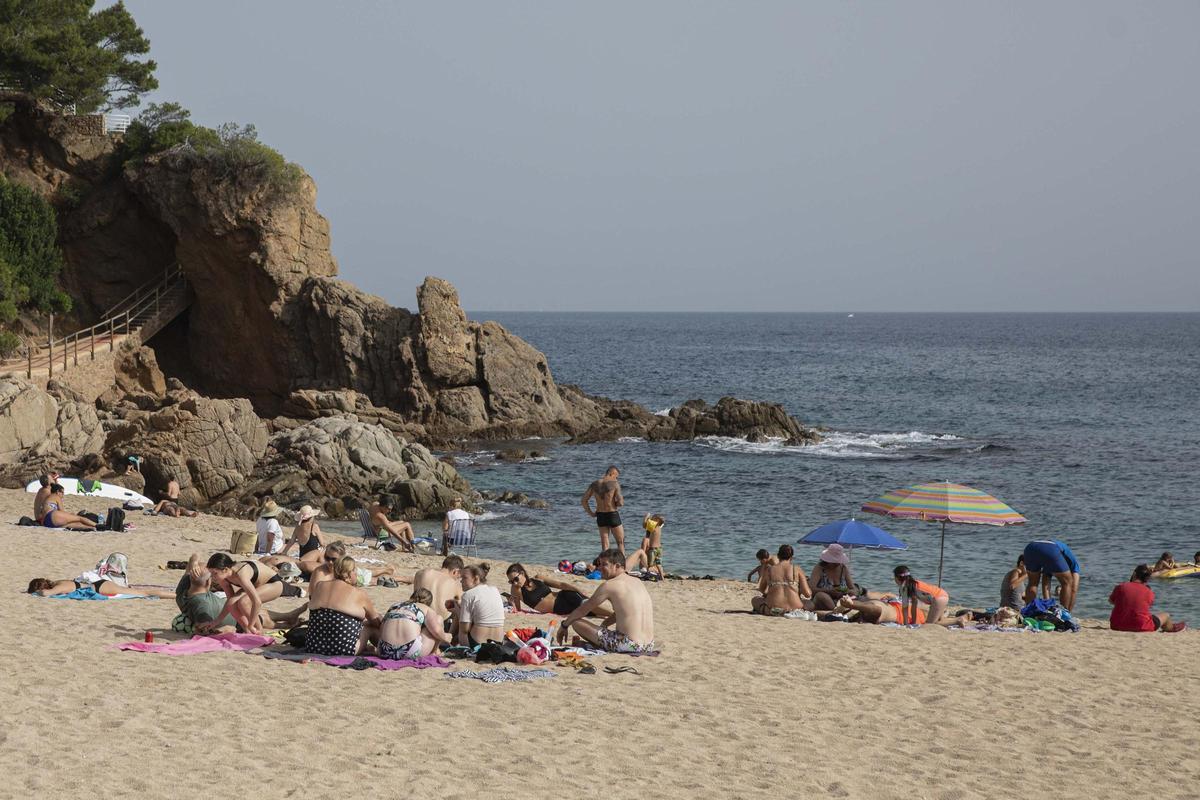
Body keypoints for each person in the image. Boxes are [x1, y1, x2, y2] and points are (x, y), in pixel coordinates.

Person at [556, 548, 655, 653]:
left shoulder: (610, 585)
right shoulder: (637, 582)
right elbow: (624, 611)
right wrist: (605, 623)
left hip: (628, 645)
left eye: (604, 565)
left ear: (617, 566)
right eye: (599, 564)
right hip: (649, 645)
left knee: (576, 622)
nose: (599, 568)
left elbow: (583, 609)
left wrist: (564, 625)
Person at [176, 553, 303, 632]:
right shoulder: (223, 577)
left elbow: (257, 602)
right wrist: (215, 622)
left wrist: (251, 624)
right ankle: (252, 630)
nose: (213, 578)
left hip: (274, 584)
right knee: (232, 603)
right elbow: (230, 603)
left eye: (214, 574)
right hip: (257, 583)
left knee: (244, 602)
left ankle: (257, 630)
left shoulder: (241, 575)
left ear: (225, 569)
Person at [306, 555, 381, 656]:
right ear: (349, 574)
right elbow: (376, 622)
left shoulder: (320, 585)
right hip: (343, 650)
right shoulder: (358, 593)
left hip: (313, 646)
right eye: (355, 571)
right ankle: (385, 650)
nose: (357, 574)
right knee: (371, 629)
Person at [27, 552, 175, 599]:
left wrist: (36, 593)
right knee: (142, 593)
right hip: (99, 584)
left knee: (144, 593)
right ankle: (174, 595)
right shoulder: (61, 581)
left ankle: (175, 596)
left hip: (100, 587)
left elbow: (46, 593)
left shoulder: (60, 586)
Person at [506, 563, 603, 617]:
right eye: (511, 581)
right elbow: (517, 609)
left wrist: (578, 590)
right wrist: (511, 603)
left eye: (515, 579)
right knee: (588, 608)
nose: (514, 583)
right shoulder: (516, 589)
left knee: (588, 604)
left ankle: (615, 614)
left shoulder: (538, 578)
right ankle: (615, 615)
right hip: (559, 608)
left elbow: (560, 585)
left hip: (564, 595)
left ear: (522, 573)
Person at [1110, 564, 1185, 633]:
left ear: (1134, 574)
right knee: (1166, 615)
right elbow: (1145, 605)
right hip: (1141, 626)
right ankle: (1171, 628)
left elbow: (1111, 601)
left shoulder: (1121, 586)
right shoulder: (1148, 592)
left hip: (1116, 625)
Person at [378, 588, 450, 659]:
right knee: (438, 619)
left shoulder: (394, 606)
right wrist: (446, 637)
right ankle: (435, 651)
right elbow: (436, 631)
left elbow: (382, 628)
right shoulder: (426, 608)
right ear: (429, 602)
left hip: (384, 651)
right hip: (408, 651)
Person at [261, 504, 327, 575]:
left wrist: (284, 552)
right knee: (320, 553)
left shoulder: (298, 527)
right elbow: (322, 543)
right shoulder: (314, 526)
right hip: (312, 558)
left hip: (302, 556)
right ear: (311, 517)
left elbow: (291, 542)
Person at [308, 541, 404, 588]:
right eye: (327, 558)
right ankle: (386, 570)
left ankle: (392, 572)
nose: (329, 562)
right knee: (371, 575)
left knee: (371, 575)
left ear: (343, 558)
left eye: (333, 559)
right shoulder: (319, 572)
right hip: (357, 576)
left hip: (358, 575)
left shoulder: (346, 570)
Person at [450, 564, 505, 646]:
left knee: (461, 624)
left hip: (477, 643)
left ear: (476, 578)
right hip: (498, 641)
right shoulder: (494, 589)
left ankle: (448, 638)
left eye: (464, 578)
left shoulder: (468, 595)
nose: (461, 581)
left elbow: (465, 629)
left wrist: (458, 611)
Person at [751, 544, 810, 615]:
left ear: (778, 556)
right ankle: (792, 611)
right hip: (795, 609)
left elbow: (761, 589)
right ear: (791, 557)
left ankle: (771, 610)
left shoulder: (769, 569)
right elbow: (807, 594)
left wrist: (770, 593)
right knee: (810, 603)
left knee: (755, 600)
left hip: (774, 608)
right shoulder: (797, 569)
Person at [1022, 540, 1080, 611]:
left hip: (1030, 548)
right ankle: (1064, 612)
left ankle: (1029, 611)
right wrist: (1069, 611)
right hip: (1051, 549)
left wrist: (1048, 606)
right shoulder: (1074, 566)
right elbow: (1073, 590)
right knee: (1067, 583)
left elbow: (1045, 584)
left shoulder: (1052, 564)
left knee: (1032, 583)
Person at [581, 465, 625, 554]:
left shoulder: (595, 484)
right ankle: (622, 566)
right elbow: (621, 502)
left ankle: (605, 565)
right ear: (612, 473)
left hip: (600, 515)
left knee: (605, 544)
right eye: (616, 476)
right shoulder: (615, 484)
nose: (616, 479)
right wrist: (615, 504)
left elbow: (584, 500)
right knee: (620, 542)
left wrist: (591, 513)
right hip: (612, 514)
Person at [808, 543, 854, 610]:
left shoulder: (843, 568)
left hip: (840, 600)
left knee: (853, 594)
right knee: (821, 595)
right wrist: (829, 591)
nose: (837, 564)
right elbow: (811, 589)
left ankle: (839, 610)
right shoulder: (819, 568)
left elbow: (852, 588)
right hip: (822, 601)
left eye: (838, 562)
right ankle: (836, 611)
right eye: (834, 562)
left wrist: (846, 592)